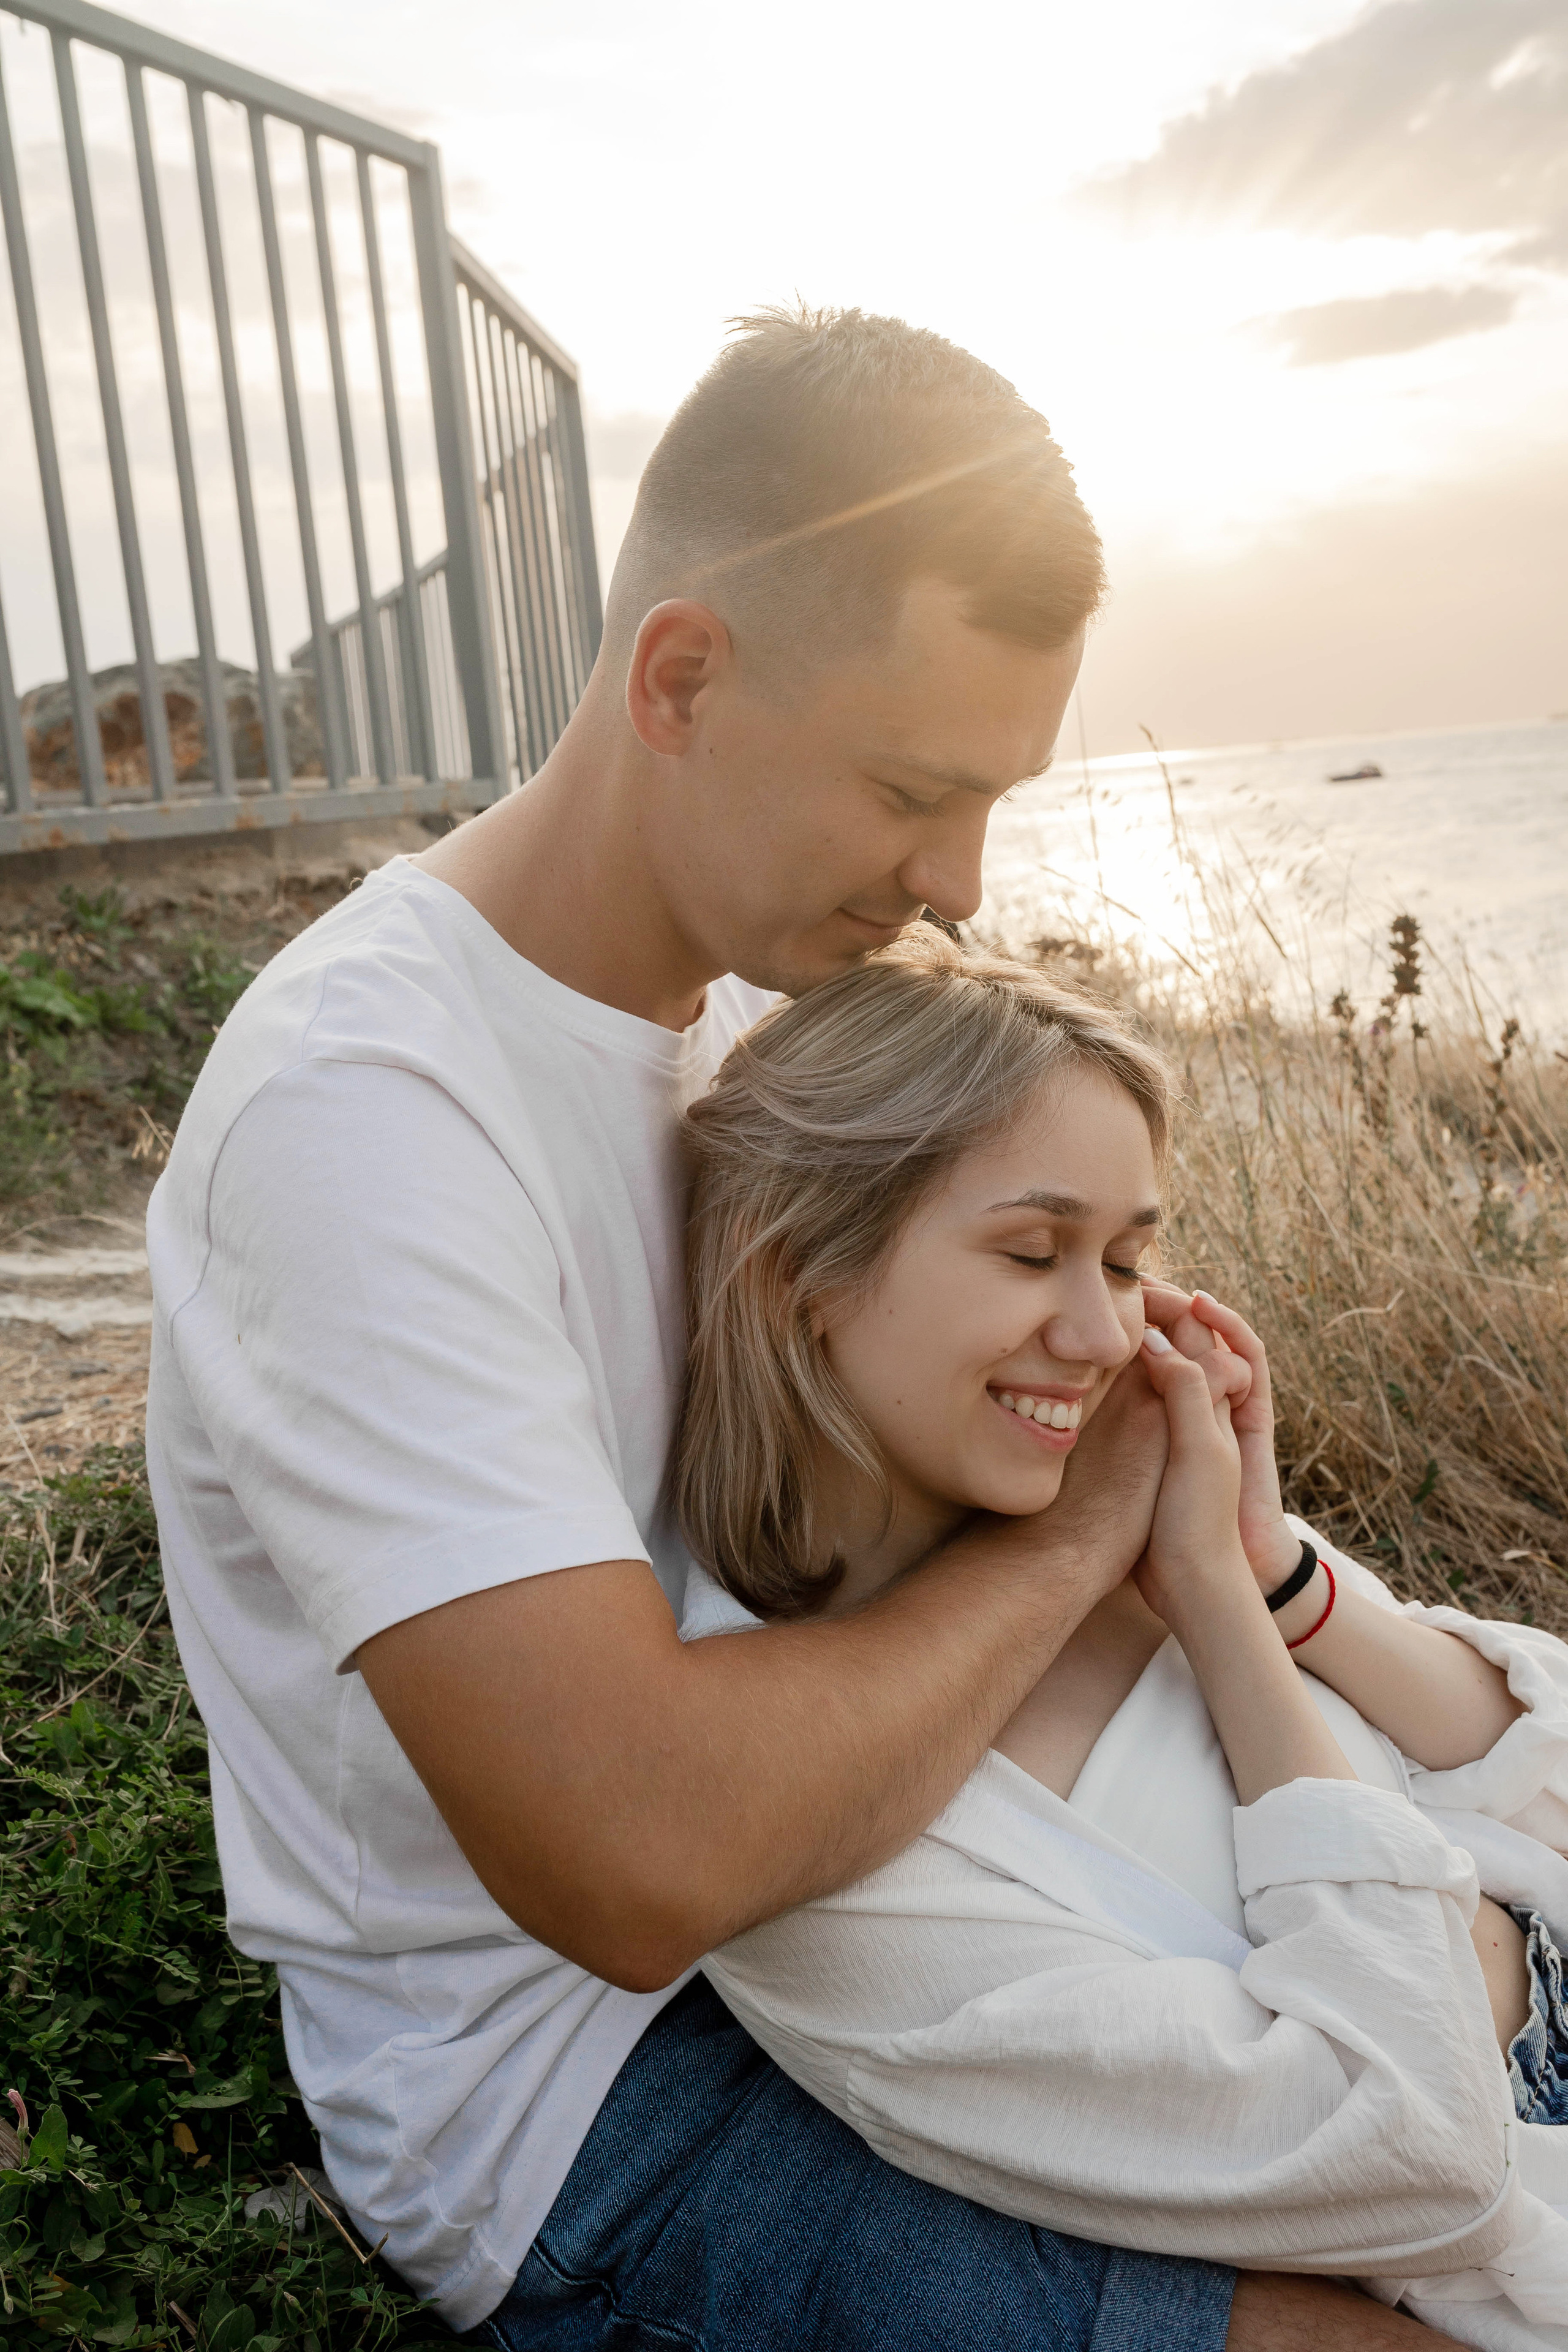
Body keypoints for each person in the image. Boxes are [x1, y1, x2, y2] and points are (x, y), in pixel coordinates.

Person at [147, 304, 1453, 2348]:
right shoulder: (369, 1112)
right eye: (913, 791)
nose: (955, 882)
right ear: (681, 675)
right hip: (598, 2085)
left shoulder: (771, 1029)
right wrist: (1078, 1533)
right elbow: (636, 1862)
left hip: (930, 1878)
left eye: (997, 800)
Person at [673, 929, 1568, 2350]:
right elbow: (1413, 2145)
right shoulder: (823, 1864)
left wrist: (1273, 1575)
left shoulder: (1127, 1504)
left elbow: (1545, 1780)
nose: (1100, 1333)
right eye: (1033, 1251)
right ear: (801, 1275)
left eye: (1128, 1255)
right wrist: (1215, 1617)